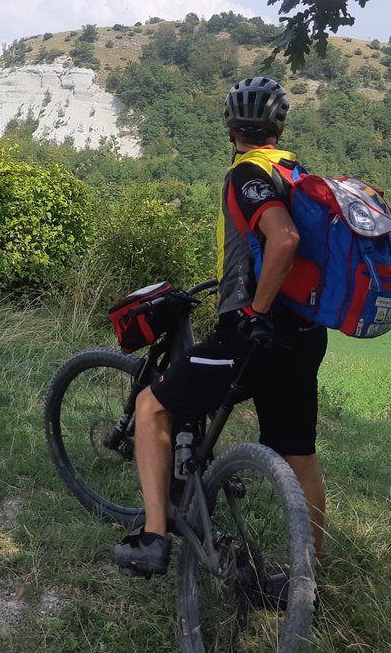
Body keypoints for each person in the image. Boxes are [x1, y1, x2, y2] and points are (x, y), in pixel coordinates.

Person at [112, 75, 329, 577]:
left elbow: (283, 239)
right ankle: (308, 575)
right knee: (300, 458)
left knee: (150, 406)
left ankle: (152, 538)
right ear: (279, 128)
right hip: (304, 336)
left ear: (231, 130)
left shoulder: (246, 175)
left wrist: (253, 309)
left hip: (253, 335)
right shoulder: (297, 173)